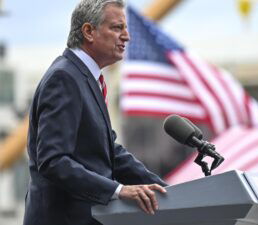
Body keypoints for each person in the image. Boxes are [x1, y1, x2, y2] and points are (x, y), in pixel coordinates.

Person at [23, 1, 167, 225]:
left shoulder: (85, 78)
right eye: (117, 28)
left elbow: (110, 151)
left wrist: (168, 190)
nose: (126, 36)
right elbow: (54, 161)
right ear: (89, 31)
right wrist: (119, 190)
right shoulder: (64, 78)